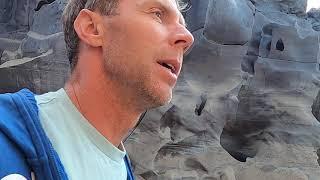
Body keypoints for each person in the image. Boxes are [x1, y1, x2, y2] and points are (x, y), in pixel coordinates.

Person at [0, 0, 194, 179]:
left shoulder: (121, 172)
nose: (187, 38)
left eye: (182, 25)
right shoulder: (7, 135)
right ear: (92, 29)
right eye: (158, 14)